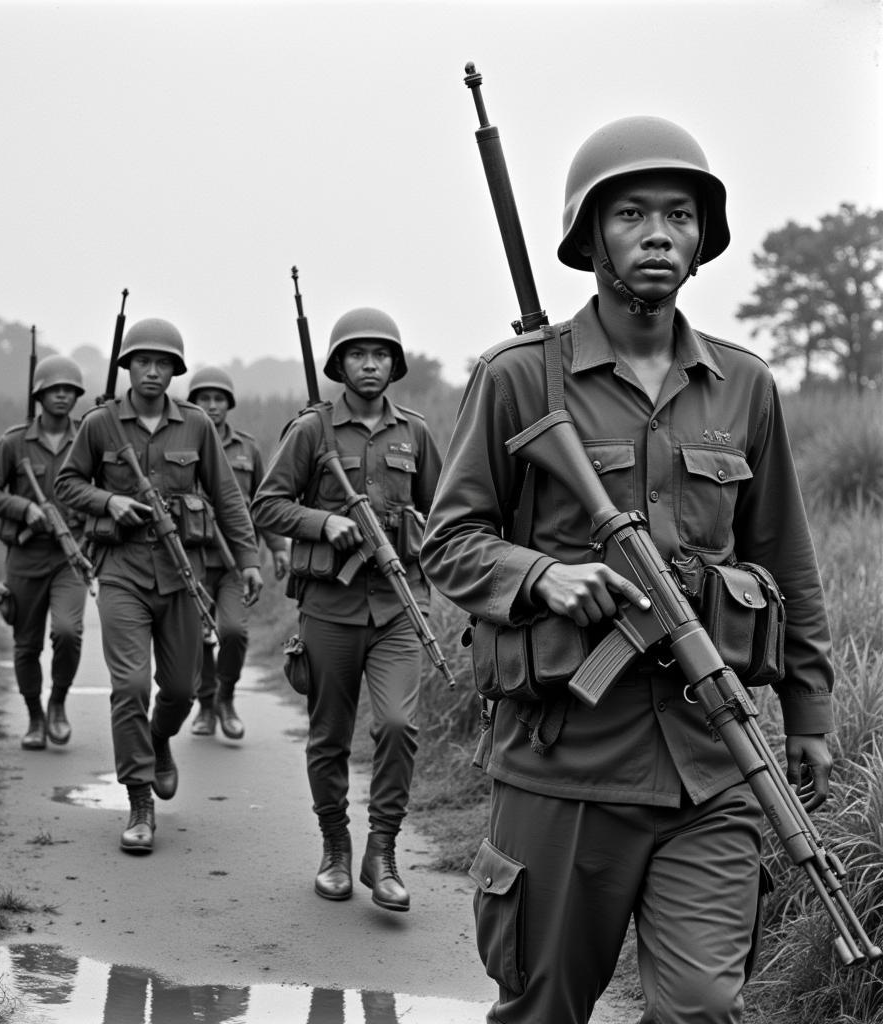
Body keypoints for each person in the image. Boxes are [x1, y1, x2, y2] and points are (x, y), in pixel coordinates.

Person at [420, 116, 835, 1023]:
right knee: (544, 1007)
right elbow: (448, 541)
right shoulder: (518, 378)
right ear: (589, 236)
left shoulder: (744, 386)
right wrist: (540, 575)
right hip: (564, 764)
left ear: (701, 239)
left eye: (680, 216)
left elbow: (785, 562)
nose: (658, 234)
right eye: (632, 215)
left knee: (701, 1009)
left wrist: (808, 711)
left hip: (713, 759)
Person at [251, 307, 443, 913]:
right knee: (329, 735)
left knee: (395, 726)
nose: (370, 364)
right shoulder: (311, 432)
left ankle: (381, 851)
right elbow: (267, 506)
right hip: (330, 608)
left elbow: (445, 515)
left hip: (397, 607)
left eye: (380, 354)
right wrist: (323, 520)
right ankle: (335, 847)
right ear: (338, 364)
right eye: (358, 355)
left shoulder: (415, 433)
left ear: (395, 364)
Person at [55, 318, 262, 855]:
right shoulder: (101, 424)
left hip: (182, 572)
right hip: (122, 570)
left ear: (175, 370)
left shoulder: (196, 425)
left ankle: (159, 738)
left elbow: (228, 497)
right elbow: (66, 483)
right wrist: (108, 501)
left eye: (163, 363)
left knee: (181, 690)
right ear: (128, 367)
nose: (152, 371)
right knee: (129, 687)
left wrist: (248, 561)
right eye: (143, 361)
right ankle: (140, 799)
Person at [0, 354, 89, 751]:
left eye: (69, 390)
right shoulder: (14, 442)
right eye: (54, 389)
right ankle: (35, 717)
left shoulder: (87, 438)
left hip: (70, 556)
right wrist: (25, 509)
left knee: (68, 632)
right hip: (24, 555)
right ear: (39, 394)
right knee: (26, 645)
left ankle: (57, 703)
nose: (62, 396)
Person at [185, 366, 290, 741]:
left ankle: (226, 697)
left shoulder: (246, 448)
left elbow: (262, 504)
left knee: (232, 632)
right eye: (203, 399)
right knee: (197, 636)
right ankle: (205, 703)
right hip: (191, 560)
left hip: (235, 562)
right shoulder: (180, 443)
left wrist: (277, 548)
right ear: (192, 403)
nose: (211, 406)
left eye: (218, 400)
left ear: (228, 405)